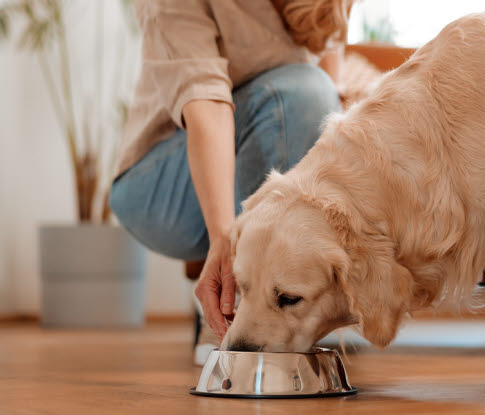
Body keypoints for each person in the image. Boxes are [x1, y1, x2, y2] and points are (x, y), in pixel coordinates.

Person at [109, 0, 353, 363]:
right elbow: (206, 103)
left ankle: (264, 307)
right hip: (161, 185)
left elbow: (330, 83)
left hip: (269, 142)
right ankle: (235, 304)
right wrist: (225, 237)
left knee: (315, 94)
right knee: (301, 94)